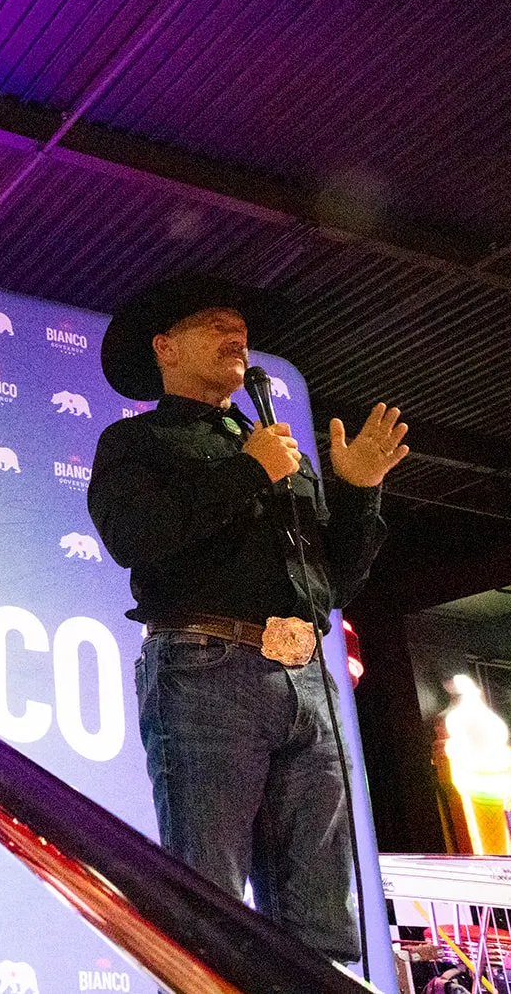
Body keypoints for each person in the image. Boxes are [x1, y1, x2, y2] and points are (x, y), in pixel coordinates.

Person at [87, 272, 409, 963]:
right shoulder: (138, 441)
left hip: (308, 678)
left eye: (240, 326)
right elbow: (133, 537)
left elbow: (332, 584)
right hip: (205, 671)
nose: (236, 333)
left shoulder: (277, 449)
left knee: (322, 911)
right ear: (165, 348)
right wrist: (248, 471)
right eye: (214, 323)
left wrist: (358, 492)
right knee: (209, 904)